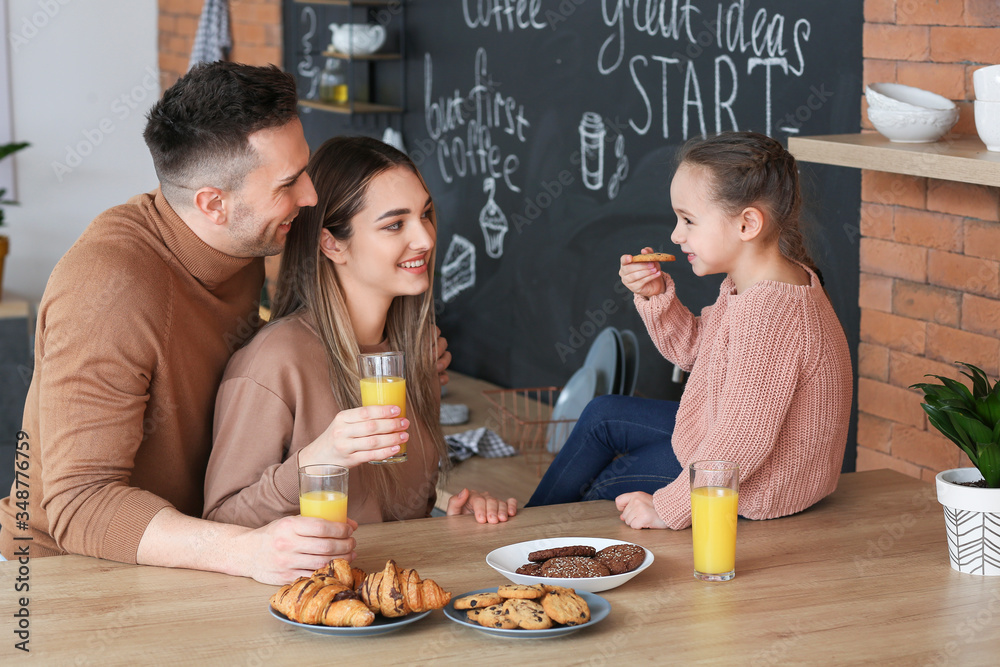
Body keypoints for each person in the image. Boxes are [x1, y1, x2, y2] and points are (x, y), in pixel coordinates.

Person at [0, 62, 363, 585]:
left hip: (178, 553)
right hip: (62, 575)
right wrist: (246, 551)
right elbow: (78, 505)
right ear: (213, 204)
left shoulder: (238, 239)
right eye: (289, 183)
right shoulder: (108, 290)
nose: (309, 196)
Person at [527, 131, 852, 530]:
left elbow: (742, 440)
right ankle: (526, 529)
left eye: (688, 220)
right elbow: (699, 353)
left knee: (607, 486)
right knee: (603, 414)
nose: (676, 235)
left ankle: (545, 548)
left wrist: (668, 508)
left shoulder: (773, 314)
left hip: (761, 481)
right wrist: (658, 295)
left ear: (748, 223)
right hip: (739, 448)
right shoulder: (754, 284)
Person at [203, 135, 517, 528]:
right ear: (332, 243)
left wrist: (450, 517)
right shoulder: (275, 361)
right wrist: (318, 460)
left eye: (425, 215)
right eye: (394, 225)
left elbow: (397, 514)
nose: (425, 239)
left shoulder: (417, 356)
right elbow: (222, 522)